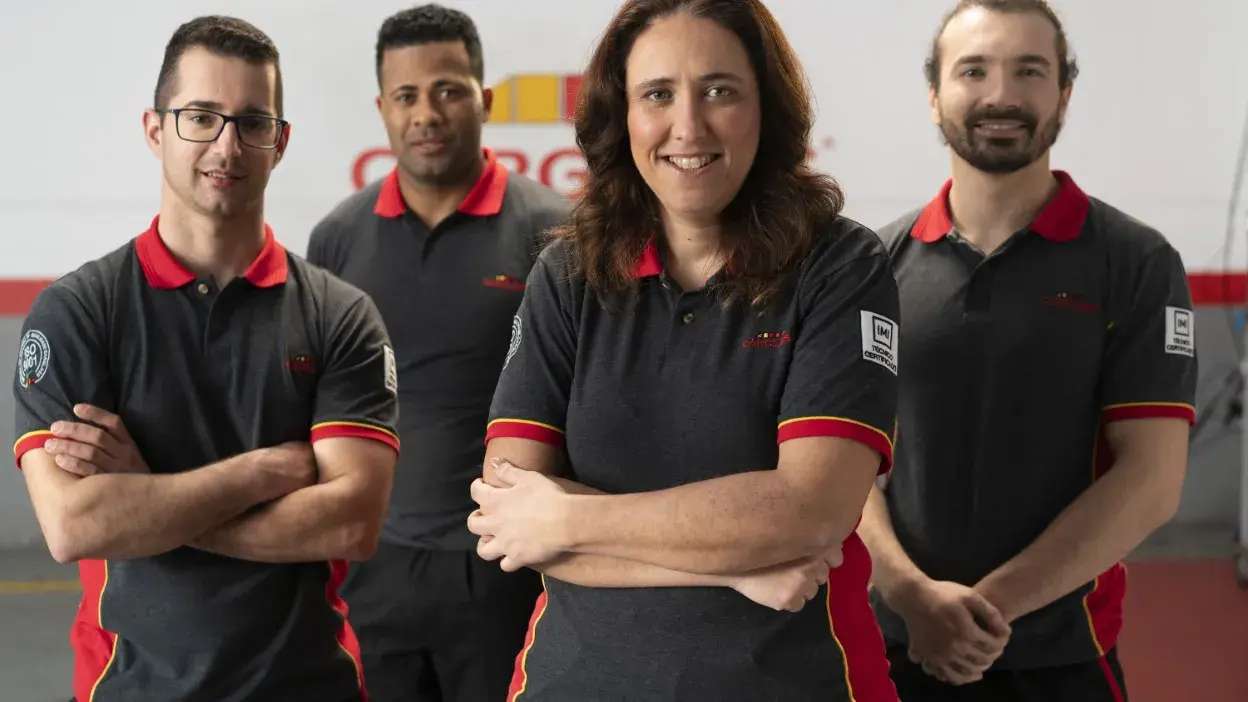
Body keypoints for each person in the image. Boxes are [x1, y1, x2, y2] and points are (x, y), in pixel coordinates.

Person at [465, 1, 899, 699]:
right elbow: (509, 516)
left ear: (766, 108)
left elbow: (809, 509)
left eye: (720, 91)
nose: (687, 126)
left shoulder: (839, 265)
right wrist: (732, 564)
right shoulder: (569, 273)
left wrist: (570, 517)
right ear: (622, 115)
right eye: (658, 94)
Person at [13, 16, 398, 701]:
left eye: (252, 121)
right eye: (201, 116)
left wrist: (150, 496)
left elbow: (350, 523)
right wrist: (262, 472)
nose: (226, 145)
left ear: (279, 143)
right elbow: (76, 526)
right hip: (128, 687)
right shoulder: (78, 313)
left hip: (309, 686)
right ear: (155, 129)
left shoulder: (340, 316)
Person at [860, 2, 1196, 700]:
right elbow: (848, 466)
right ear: (934, 95)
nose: (1001, 95)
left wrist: (983, 613)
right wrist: (911, 596)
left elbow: (1152, 481)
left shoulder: (1134, 262)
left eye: (1029, 71)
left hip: (1061, 659)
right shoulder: (874, 266)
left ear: (1064, 93)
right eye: (973, 70)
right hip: (895, 650)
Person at [306, 5, 568, 701]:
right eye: (407, 95)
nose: (427, 113)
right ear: (383, 108)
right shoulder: (339, 237)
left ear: (483, 98)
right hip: (371, 564)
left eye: (449, 90)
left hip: (504, 565)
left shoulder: (554, 232)